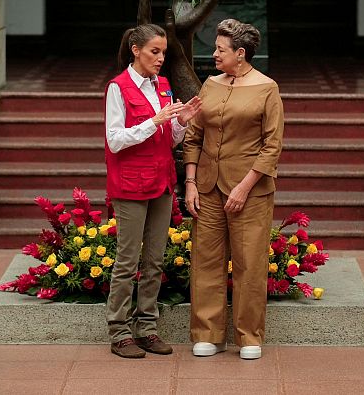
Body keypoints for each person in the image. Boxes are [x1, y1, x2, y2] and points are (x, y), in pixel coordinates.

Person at [183, 18, 284, 360]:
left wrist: (244, 187)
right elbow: (194, 136)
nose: (214, 54)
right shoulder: (209, 84)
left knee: (248, 263)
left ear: (240, 54)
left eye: (220, 50)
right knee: (206, 260)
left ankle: (248, 336)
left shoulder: (267, 88)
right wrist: (191, 182)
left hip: (251, 191)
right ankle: (208, 333)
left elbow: (272, 146)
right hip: (208, 188)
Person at [104, 23, 202, 359]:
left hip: (160, 182)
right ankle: (119, 332)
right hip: (130, 184)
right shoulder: (118, 88)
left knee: (154, 260)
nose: (160, 59)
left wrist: (180, 122)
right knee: (127, 260)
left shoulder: (162, 85)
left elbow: (167, 139)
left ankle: (146, 327)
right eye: (154, 52)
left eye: (163, 52)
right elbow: (115, 140)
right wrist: (154, 121)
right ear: (135, 49)